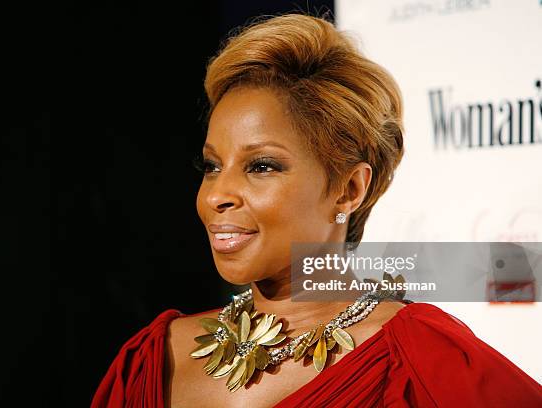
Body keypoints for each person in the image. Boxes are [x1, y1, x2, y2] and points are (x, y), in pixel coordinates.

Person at [91, 13, 542, 407]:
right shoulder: (153, 359)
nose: (216, 195)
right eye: (212, 166)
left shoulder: (422, 359)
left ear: (349, 189)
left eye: (261, 166)